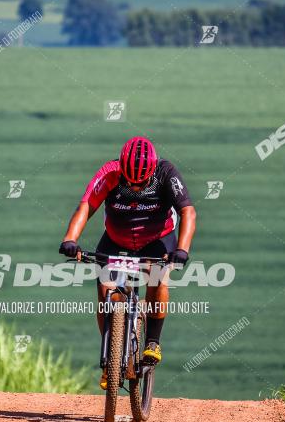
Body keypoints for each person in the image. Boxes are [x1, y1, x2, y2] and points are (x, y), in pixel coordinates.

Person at [59, 136, 197, 389]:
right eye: (130, 182)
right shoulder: (110, 172)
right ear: (121, 168)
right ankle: (110, 357)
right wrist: (70, 239)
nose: (135, 187)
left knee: (157, 278)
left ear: (152, 170)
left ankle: (152, 342)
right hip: (116, 238)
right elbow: (86, 207)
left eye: (141, 182)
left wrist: (182, 249)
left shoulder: (166, 173)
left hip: (157, 238)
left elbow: (188, 211)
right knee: (104, 292)